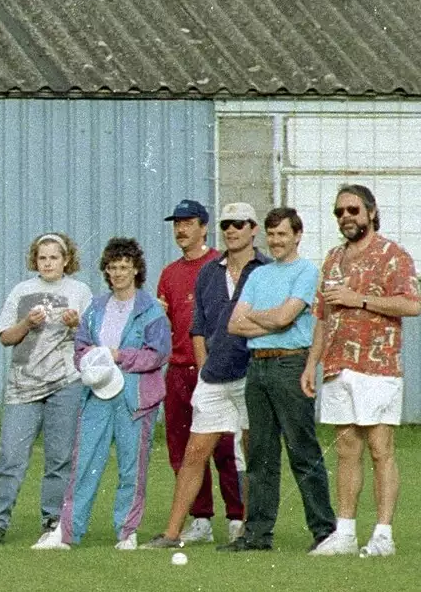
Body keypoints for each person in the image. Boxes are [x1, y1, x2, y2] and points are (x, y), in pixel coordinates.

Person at [301, 185, 420, 557]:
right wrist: (312, 363)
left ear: (370, 211)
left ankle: (383, 533)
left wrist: (361, 300)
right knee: (346, 448)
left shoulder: (392, 255)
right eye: (339, 212)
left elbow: (412, 304)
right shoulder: (333, 258)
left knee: (380, 448)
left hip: (378, 364)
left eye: (352, 210)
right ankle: (346, 531)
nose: (346, 218)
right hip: (338, 366)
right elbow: (321, 316)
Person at [36, 238, 170, 551]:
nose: (118, 273)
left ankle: (127, 531)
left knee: (131, 465)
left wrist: (119, 355)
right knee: (84, 463)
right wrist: (90, 363)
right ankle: (67, 532)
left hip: (135, 399)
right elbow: (80, 346)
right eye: (113, 268)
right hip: (97, 394)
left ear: (136, 269)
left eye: (125, 267)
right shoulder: (96, 307)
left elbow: (158, 354)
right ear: (106, 271)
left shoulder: (151, 310)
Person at [145, 204, 266, 548]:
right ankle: (175, 531)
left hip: (248, 372)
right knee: (192, 451)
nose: (232, 230)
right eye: (227, 224)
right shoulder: (207, 273)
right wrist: (204, 371)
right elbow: (197, 328)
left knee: (243, 451)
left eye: (238, 224)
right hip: (206, 373)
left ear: (252, 228)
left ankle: (244, 524)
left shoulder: (264, 270)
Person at [220, 207, 335, 552]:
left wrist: (260, 317)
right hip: (258, 365)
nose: (276, 240)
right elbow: (233, 325)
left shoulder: (306, 271)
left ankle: (324, 530)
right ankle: (257, 533)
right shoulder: (258, 275)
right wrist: (269, 320)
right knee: (260, 453)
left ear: (297, 235)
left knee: (302, 450)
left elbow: (286, 318)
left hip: (289, 363)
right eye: (271, 234)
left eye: (283, 234)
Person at [0, 232, 91, 547]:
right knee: (11, 454)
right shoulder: (22, 291)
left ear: (67, 260)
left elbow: (91, 339)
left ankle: (53, 522)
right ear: (35, 261)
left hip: (66, 382)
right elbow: (6, 337)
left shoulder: (80, 291)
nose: (48, 263)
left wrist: (76, 324)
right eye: (43, 257)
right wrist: (26, 324)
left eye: (55, 257)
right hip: (23, 385)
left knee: (59, 456)